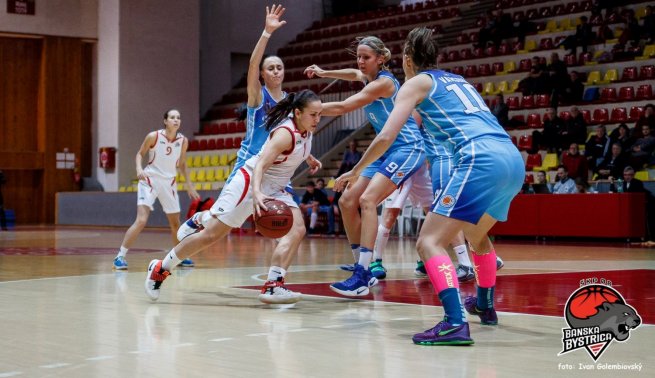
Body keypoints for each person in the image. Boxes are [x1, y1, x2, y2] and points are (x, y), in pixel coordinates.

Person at [336, 27, 524, 345]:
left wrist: (355, 169)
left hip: (479, 159)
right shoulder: (458, 80)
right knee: (478, 236)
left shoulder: (415, 83)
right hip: (512, 159)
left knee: (428, 243)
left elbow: (385, 137)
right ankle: (485, 305)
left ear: (408, 59)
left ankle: (454, 323)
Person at [145, 89, 323, 304]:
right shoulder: (285, 133)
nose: (317, 119)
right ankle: (160, 268)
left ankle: (273, 285)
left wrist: (308, 157)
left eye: (319, 114)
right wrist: (256, 192)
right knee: (211, 236)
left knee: (298, 229)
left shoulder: (306, 130)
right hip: (250, 182)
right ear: (297, 113)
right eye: (313, 115)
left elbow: (293, 150)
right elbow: (261, 165)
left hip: (276, 186)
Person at [305, 36, 425, 297]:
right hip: (386, 151)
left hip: (407, 148)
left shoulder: (381, 84)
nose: (360, 61)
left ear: (380, 59)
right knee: (347, 201)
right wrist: (325, 72)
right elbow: (353, 73)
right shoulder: (368, 77)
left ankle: (363, 273)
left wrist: (304, 110)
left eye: (366, 57)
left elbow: (343, 107)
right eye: (358, 56)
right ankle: (362, 261)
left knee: (368, 200)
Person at [112, 109, 199, 270]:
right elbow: (140, 154)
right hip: (150, 180)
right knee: (141, 220)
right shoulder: (154, 136)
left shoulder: (183, 140)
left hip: (169, 183)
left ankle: (179, 256)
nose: (176, 120)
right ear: (165, 121)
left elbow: (183, 163)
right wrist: (139, 169)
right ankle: (120, 256)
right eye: (172, 117)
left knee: (175, 223)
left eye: (178, 118)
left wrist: (189, 185)